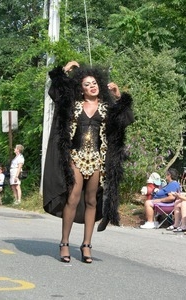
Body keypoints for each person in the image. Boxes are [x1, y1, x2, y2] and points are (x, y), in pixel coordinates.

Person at [43, 60, 134, 263]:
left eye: (94, 83)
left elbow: (126, 119)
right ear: (81, 89)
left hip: (97, 160)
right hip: (75, 158)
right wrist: (63, 72)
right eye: (87, 84)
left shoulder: (107, 107)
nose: (92, 86)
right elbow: (56, 94)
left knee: (92, 201)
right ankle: (64, 242)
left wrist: (119, 97)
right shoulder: (74, 105)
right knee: (73, 197)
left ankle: (86, 245)